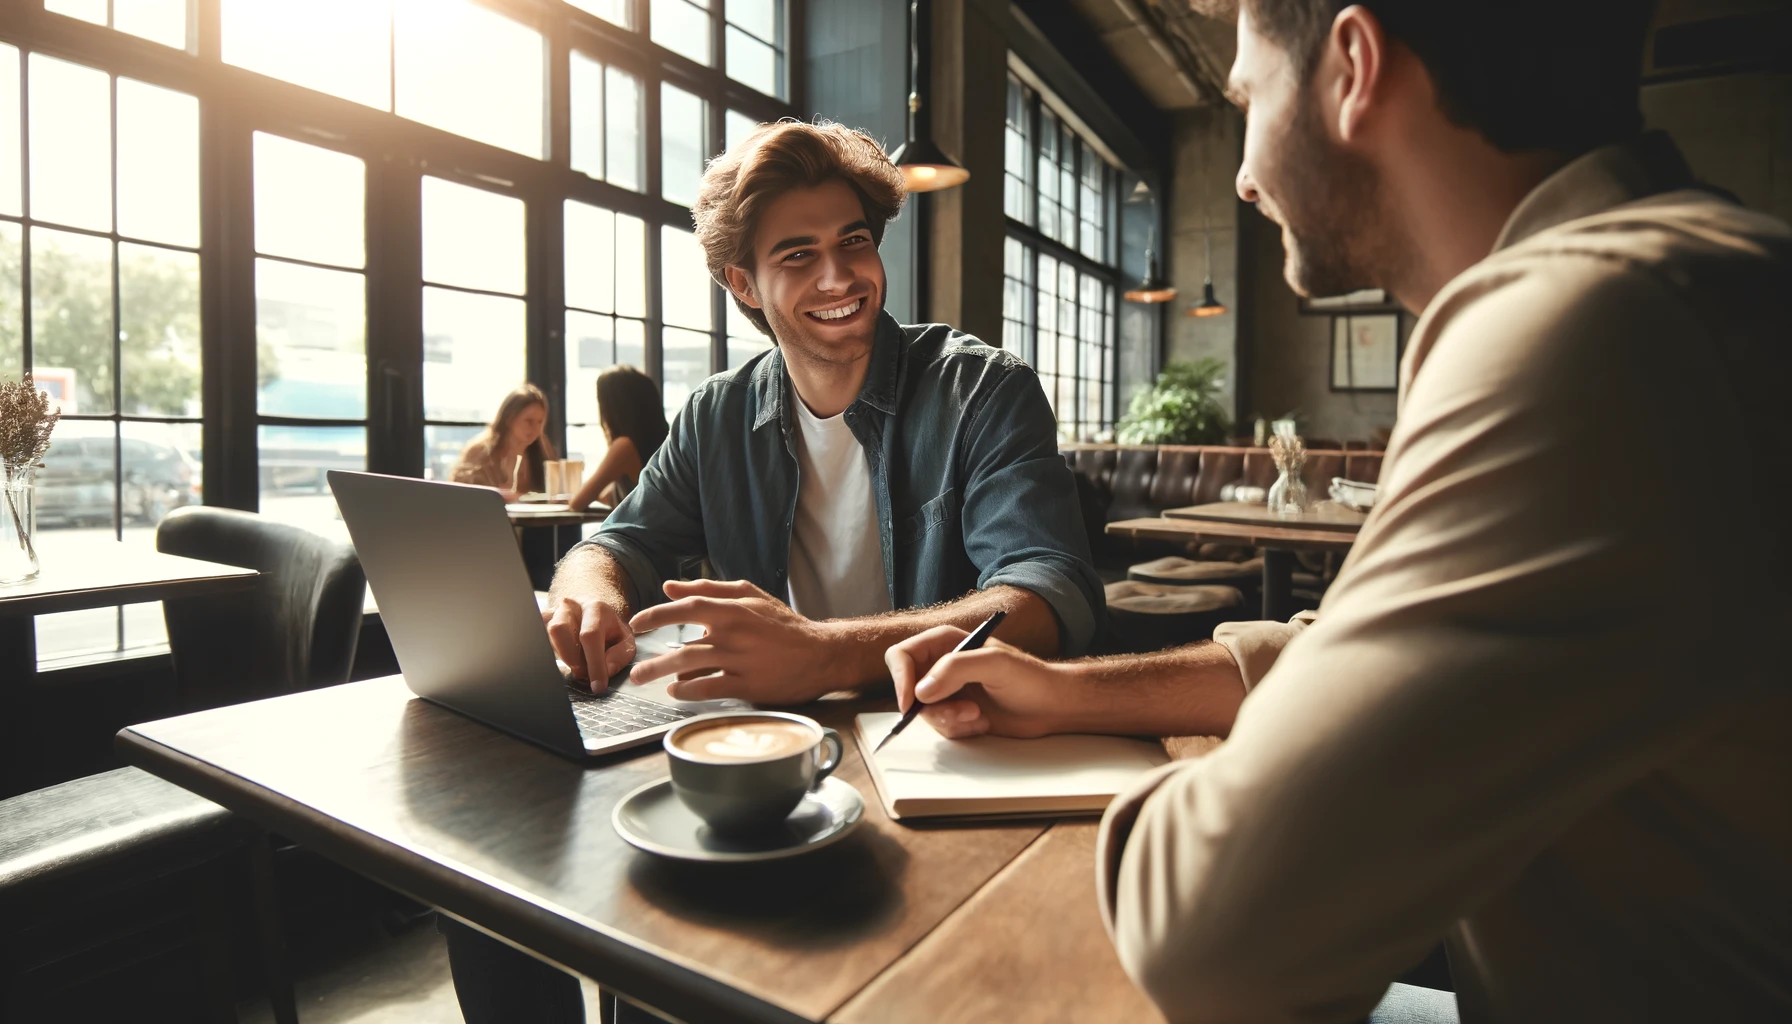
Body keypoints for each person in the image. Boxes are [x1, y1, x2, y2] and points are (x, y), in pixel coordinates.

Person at [887, 2, 1792, 1022]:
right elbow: (1341, 647)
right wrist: (1065, 695)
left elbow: (1212, 933)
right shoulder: (1684, 280)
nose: (1239, 171)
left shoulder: (1597, 328)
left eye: (1248, 97)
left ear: (1353, 68)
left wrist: (1151, 794)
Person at [445, 119, 1104, 1024]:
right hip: (768, 757)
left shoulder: (982, 391)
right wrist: (588, 589)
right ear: (743, 283)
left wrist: (823, 654)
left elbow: (1047, 598)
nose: (839, 279)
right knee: (510, 881)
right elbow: (620, 541)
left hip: (941, 754)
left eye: (854, 244)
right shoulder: (718, 413)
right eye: (799, 256)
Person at [565, 365, 668, 510]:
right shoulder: (661, 442)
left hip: (642, 532)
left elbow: (578, 503)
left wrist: (576, 496)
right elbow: (609, 496)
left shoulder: (625, 446)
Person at [451, 383, 558, 502]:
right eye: (529, 421)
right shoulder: (480, 452)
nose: (536, 429)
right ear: (509, 418)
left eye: (540, 422)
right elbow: (460, 496)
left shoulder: (543, 450)